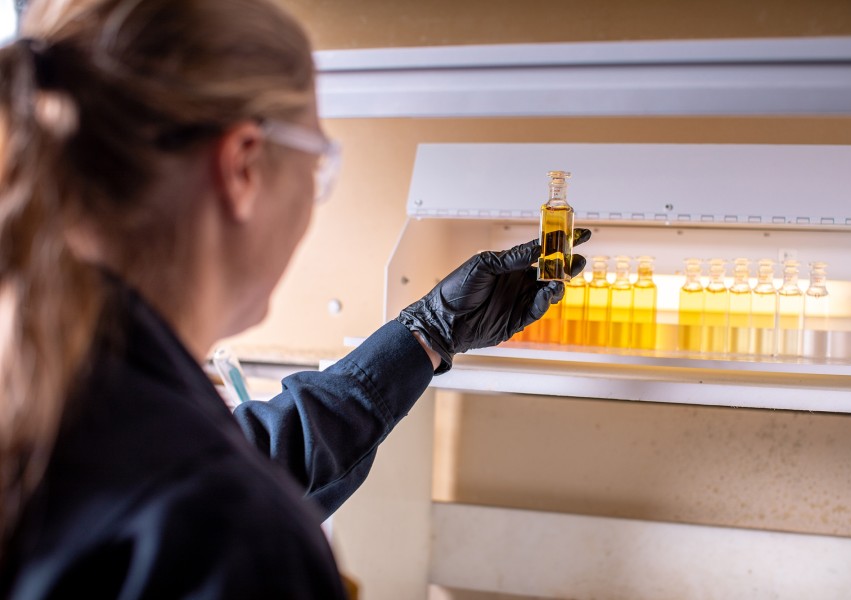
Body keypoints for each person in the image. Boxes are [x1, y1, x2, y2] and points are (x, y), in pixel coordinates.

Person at [0, 0, 589, 597]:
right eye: (318, 163)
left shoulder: (55, 391)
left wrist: (428, 334)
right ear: (243, 167)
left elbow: (253, 453)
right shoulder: (227, 531)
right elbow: (222, 490)